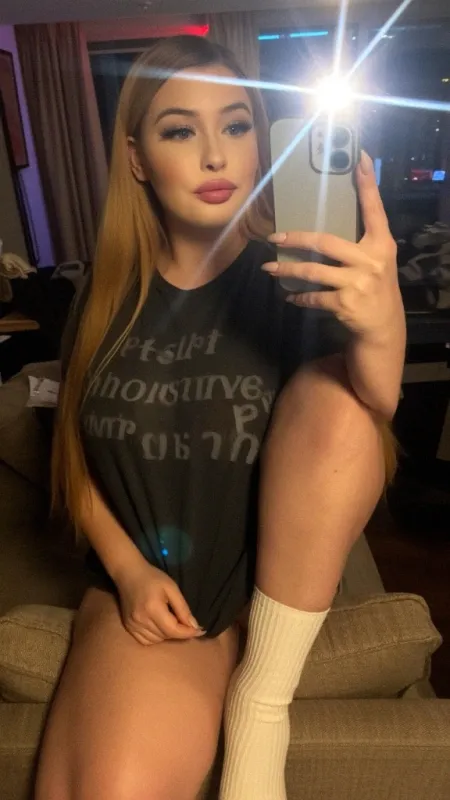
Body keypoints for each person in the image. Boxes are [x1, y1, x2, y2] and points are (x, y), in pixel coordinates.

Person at [34, 35, 406, 800]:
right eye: (180, 130)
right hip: (158, 590)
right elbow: (72, 456)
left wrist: (381, 323)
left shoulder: (299, 277)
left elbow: (366, 413)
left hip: (269, 591)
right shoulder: (103, 296)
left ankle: (261, 700)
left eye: (236, 126)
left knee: (340, 395)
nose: (215, 155)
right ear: (137, 158)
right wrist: (129, 571)